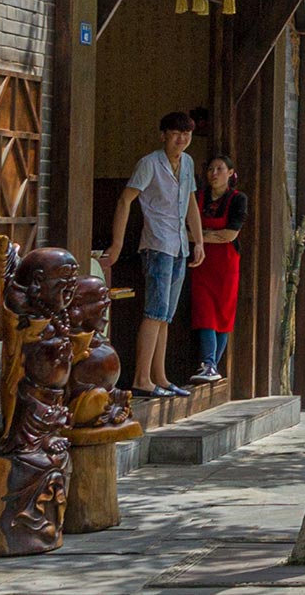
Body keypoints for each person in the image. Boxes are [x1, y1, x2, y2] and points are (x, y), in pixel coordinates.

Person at [101, 111, 205, 399]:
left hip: (180, 245)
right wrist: (118, 244)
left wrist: (198, 241)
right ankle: (142, 378)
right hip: (157, 244)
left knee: (166, 316)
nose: (182, 139)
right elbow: (125, 200)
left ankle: (160, 376)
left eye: (187, 134)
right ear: (163, 135)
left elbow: (192, 204)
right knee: (154, 312)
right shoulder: (149, 164)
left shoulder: (188, 163)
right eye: (175, 133)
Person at [189, 154, 247, 385]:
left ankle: (212, 365)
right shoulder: (197, 197)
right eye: (211, 169)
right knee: (204, 312)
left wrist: (200, 237)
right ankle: (208, 363)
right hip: (200, 262)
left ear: (231, 173)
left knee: (223, 313)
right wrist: (208, 238)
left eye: (220, 169)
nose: (214, 173)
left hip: (226, 264)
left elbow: (230, 234)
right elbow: (184, 230)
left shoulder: (237, 199)